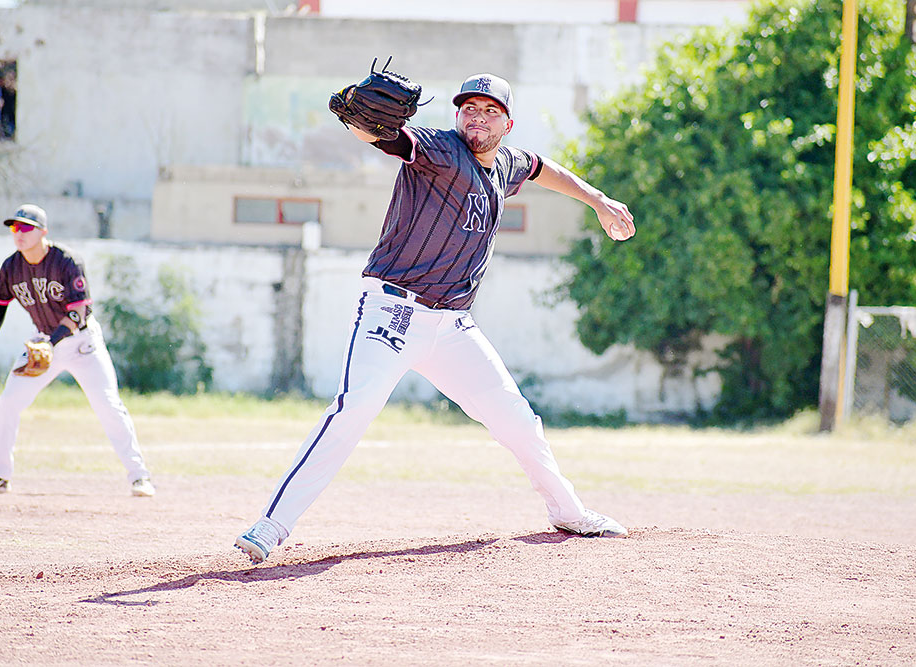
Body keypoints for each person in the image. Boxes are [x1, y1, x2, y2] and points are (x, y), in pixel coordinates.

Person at [235, 73, 636, 564]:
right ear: (456, 115)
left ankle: (569, 512)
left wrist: (597, 199)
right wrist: (360, 125)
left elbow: (540, 168)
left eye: (490, 111)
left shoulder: (506, 164)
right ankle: (271, 526)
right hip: (393, 312)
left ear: (507, 123)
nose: (478, 117)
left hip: (452, 328)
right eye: (469, 108)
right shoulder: (440, 150)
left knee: (518, 421)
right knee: (353, 409)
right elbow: (391, 138)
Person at [0, 204, 155, 498]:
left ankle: (139, 476)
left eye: (26, 227)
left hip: (82, 343)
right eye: (14, 227)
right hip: (43, 341)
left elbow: (79, 312)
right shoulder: (11, 267)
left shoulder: (66, 261)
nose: (19, 233)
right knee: (9, 401)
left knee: (108, 405)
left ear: (43, 232)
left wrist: (50, 343)